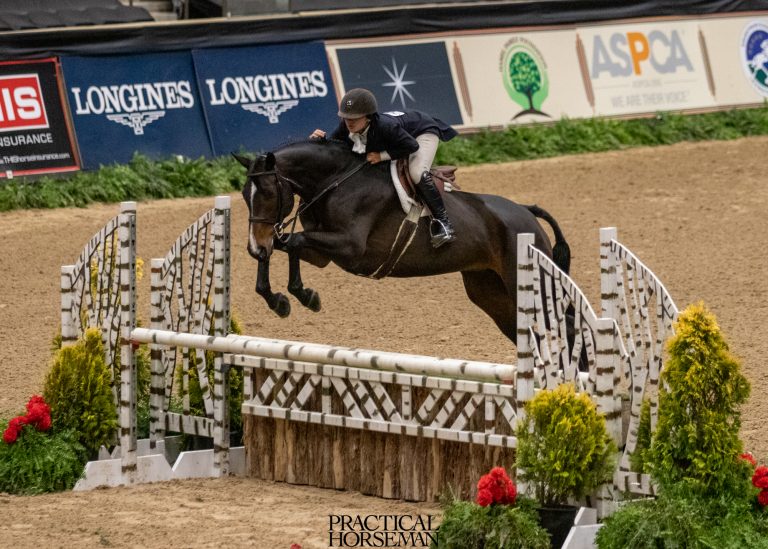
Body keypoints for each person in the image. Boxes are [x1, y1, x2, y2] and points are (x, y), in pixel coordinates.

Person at [310, 88, 458, 248]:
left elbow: (412, 146)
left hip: (422, 132)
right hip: (401, 137)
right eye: (346, 118)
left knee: (416, 172)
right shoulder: (346, 126)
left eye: (354, 118)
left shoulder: (385, 126)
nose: (349, 122)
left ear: (368, 117)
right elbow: (336, 146)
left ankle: (444, 223)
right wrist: (321, 141)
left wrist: (382, 156)